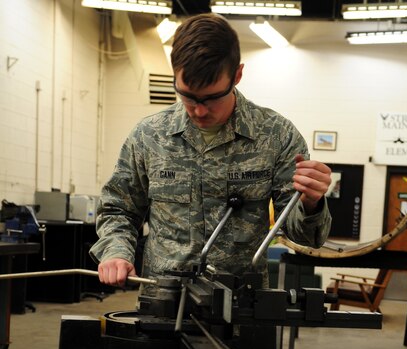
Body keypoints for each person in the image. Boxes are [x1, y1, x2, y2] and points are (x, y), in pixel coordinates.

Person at [90, 13, 332, 290]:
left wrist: (311, 204)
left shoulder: (277, 136)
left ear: (237, 75)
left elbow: (304, 238)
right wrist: (116, 252)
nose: (200, 110)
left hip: (243, 307)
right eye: (188, 96)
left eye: (212, 97)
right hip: (163, 303)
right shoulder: (149, 136)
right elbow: (118, 209)